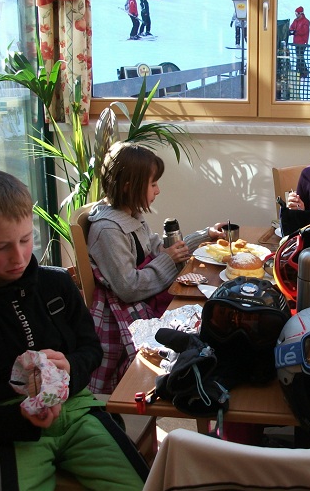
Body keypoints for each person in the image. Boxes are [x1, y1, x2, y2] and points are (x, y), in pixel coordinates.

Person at [0, 170, 149, 491]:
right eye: (1, 247)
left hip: (78, 412)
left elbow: (91, 349)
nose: (18, 257)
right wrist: (20, 418)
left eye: (26, 239)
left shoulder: (57, 285)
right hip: (7, 431)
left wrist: (70, 365)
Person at [86, 142, 226, 394]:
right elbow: (128, 287)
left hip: (147, 297)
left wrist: (205, 235)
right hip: (127, 315)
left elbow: (160, 249)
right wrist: (167, 259)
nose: (158, 190)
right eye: (152, 184)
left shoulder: (130, 216)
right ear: (128, 185)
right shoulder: (108, 230)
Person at [288, 5, 310, 77]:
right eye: (295, 13)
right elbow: (292, 27)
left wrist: (295, 32)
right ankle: (300, 71)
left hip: (302, 42)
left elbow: (303, 31)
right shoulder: (295, 21)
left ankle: (303, 71)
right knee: (299, 57)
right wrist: (290, 31)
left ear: (301, 13)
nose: (296, 15)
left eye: (297, 13)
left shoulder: (306, 22)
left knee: (300, 57)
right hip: (296, 42)